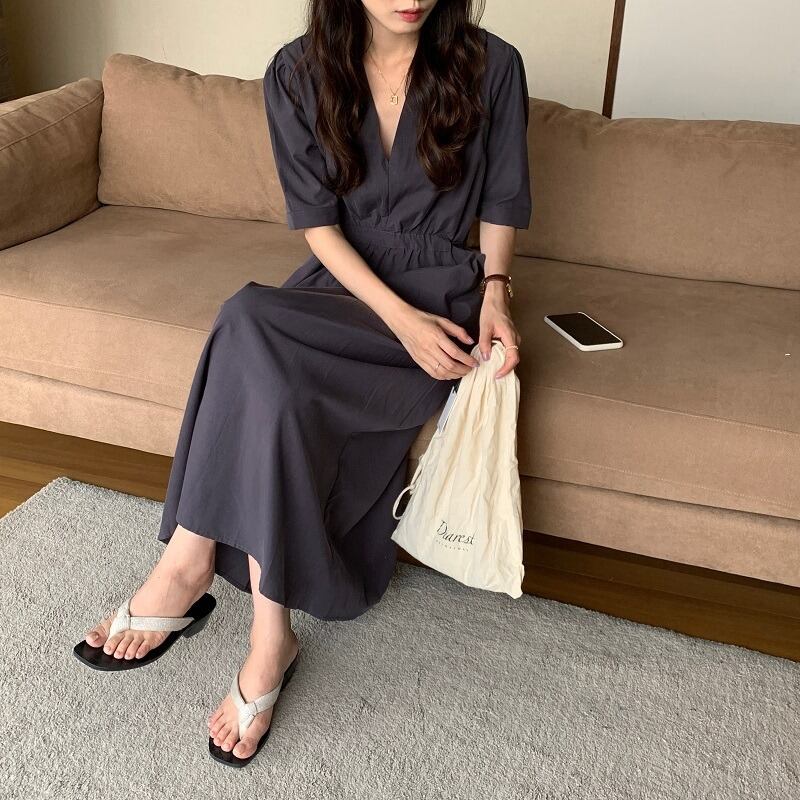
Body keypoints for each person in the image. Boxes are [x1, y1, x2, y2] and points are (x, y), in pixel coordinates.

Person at [73, 0, 531, 767]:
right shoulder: (296, 71)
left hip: (440, 295)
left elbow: (502, 199)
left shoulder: (492, 65)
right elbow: (319, 226)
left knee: (246, 321)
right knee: (262, 347)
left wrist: (495, 295)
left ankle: (187, 564)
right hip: (345, 286)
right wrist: (396, 320)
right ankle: (269, 633)